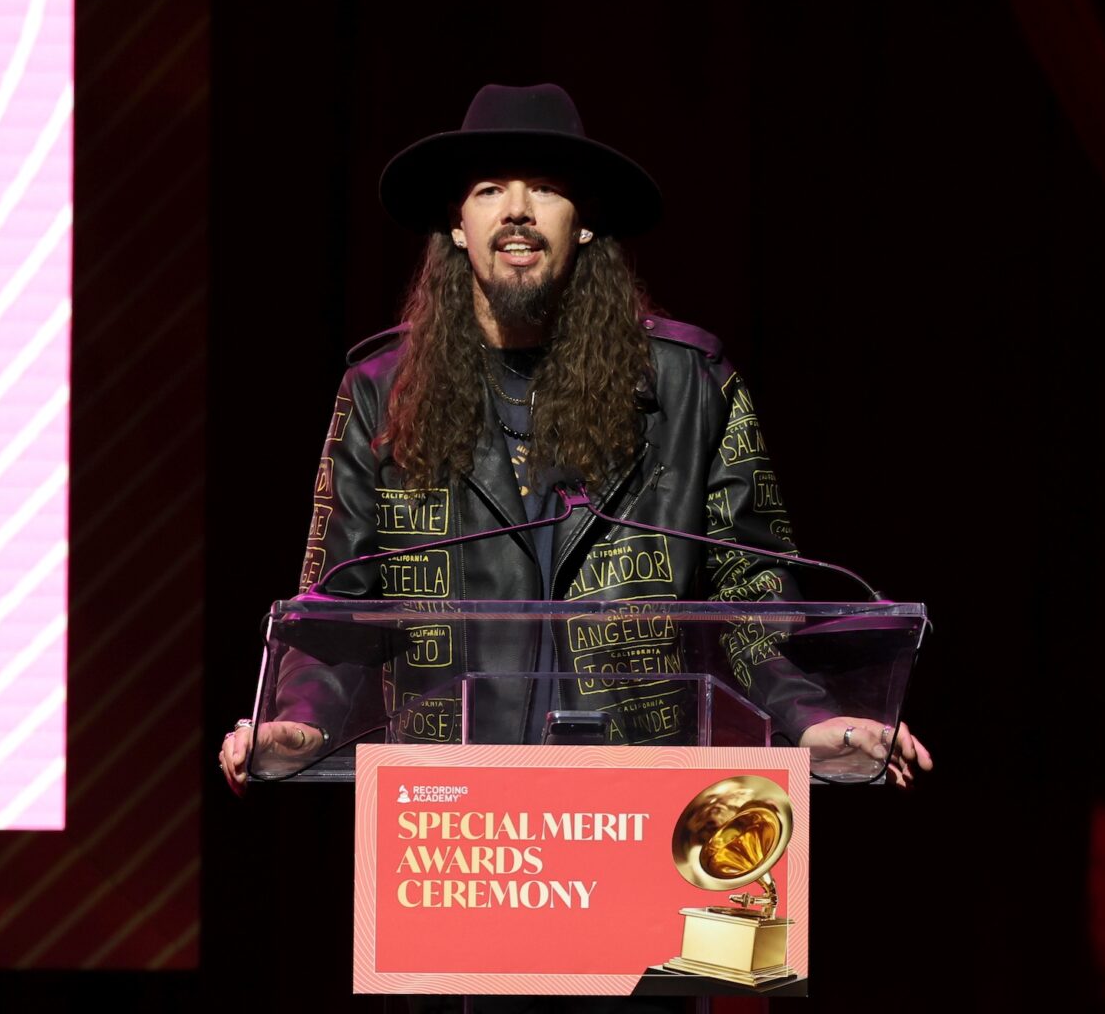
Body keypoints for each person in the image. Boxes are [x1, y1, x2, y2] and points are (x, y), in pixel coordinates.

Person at [220, 84, 931, 793]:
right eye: (492, 190)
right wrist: (300, 720)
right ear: (459, 226)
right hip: (452, 811)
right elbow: (339, 602)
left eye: (548, 189)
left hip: (637, 796)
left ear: (584, 223)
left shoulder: (689, 385)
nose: (519, 210)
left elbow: (754, 595)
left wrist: (811, 717)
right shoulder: (381, 392)